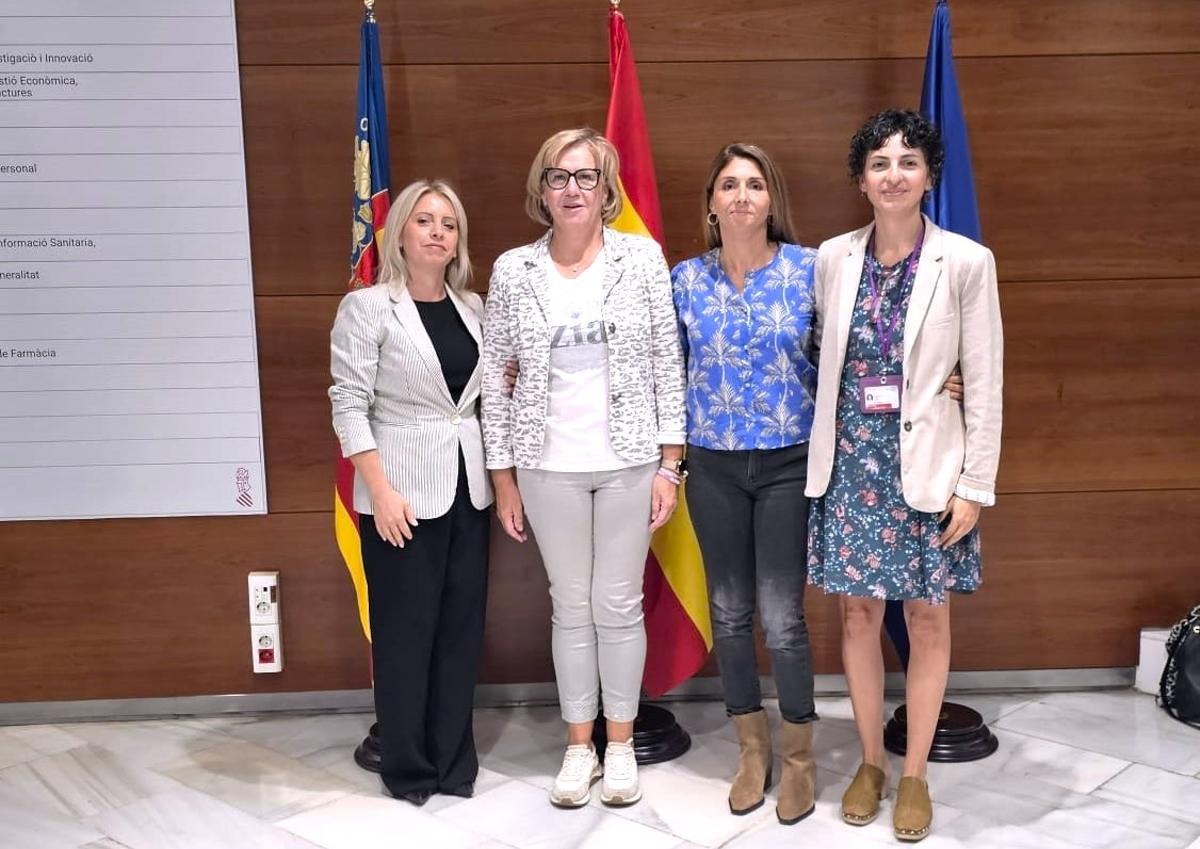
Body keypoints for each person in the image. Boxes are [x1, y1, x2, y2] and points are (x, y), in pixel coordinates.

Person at [805, 109, 1003, 842]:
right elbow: (823, 356)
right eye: (879, 162)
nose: (893, 174)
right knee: (856, 615)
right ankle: (869, 761)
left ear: (928, 177)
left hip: (928, 468)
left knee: (926, 618)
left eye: (908, 162)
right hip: (852, 462)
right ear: (861, 179)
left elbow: (984, 380)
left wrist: (974, 484)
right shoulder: (833, 257)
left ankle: (913, 772)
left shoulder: (968, 261)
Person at [480, 127, 686, 809]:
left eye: (586, 177)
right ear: (542, 189)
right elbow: (496, 377)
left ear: (607, 191)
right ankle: (579, 746)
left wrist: (670, 463)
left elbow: (666, 361)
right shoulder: (514, 269)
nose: (572, 189)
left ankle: (620, 743)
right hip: (546, 464)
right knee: (570, 603)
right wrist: (503, 474)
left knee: (618, 602)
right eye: (559, 177)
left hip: (629, 460)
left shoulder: (642, 259)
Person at [670, 143, 819, 825]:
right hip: (714, 465)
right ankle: (751, 751)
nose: (740, 195)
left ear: (771, 199)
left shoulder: (810, 272)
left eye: (754, 184)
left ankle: (798, 759)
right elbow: (659, 373)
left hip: (789, 461)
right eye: (727, 183)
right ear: (711, 202)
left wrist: (938, 382)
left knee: (782, 616)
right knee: (729, 611)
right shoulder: (685, 280)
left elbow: (859, 351)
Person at [329, 179, 491, 806]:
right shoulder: (368, 307)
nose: (437, 232)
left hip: (467, 493)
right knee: (404, 635)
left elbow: (478, 403)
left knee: (459, 633)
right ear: (399, 231)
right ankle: (409, 768)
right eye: (424, 220)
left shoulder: (475, 307)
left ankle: (454, 765)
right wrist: (380, 489)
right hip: (398, 498)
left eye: (448, 223)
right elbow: (348, 403)